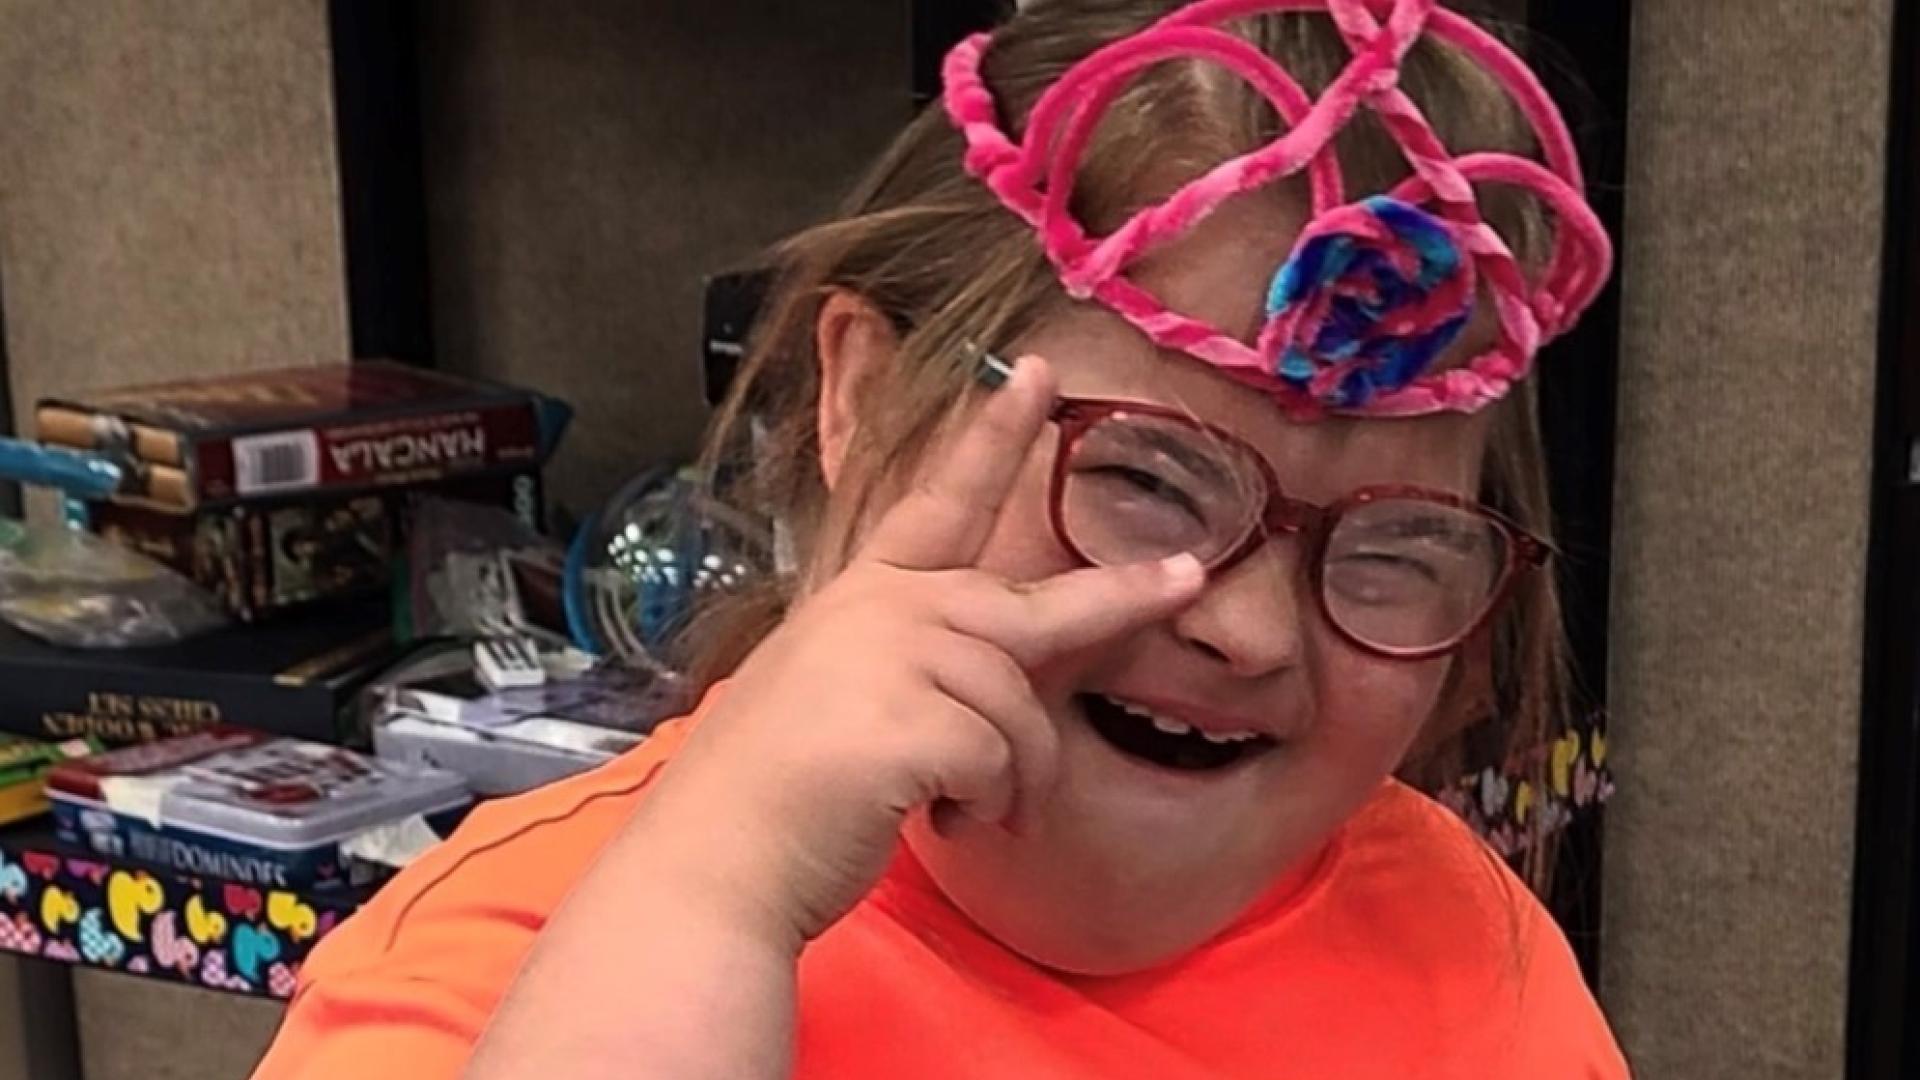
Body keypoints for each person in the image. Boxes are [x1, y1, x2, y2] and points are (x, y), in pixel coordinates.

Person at [253, 1, 1627, 1076]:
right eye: (1145, 476)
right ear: (856, 397)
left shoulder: (1458, 925)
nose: (1251, 627)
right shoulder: (500, 973)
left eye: (1393, 546)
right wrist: (714, 908)